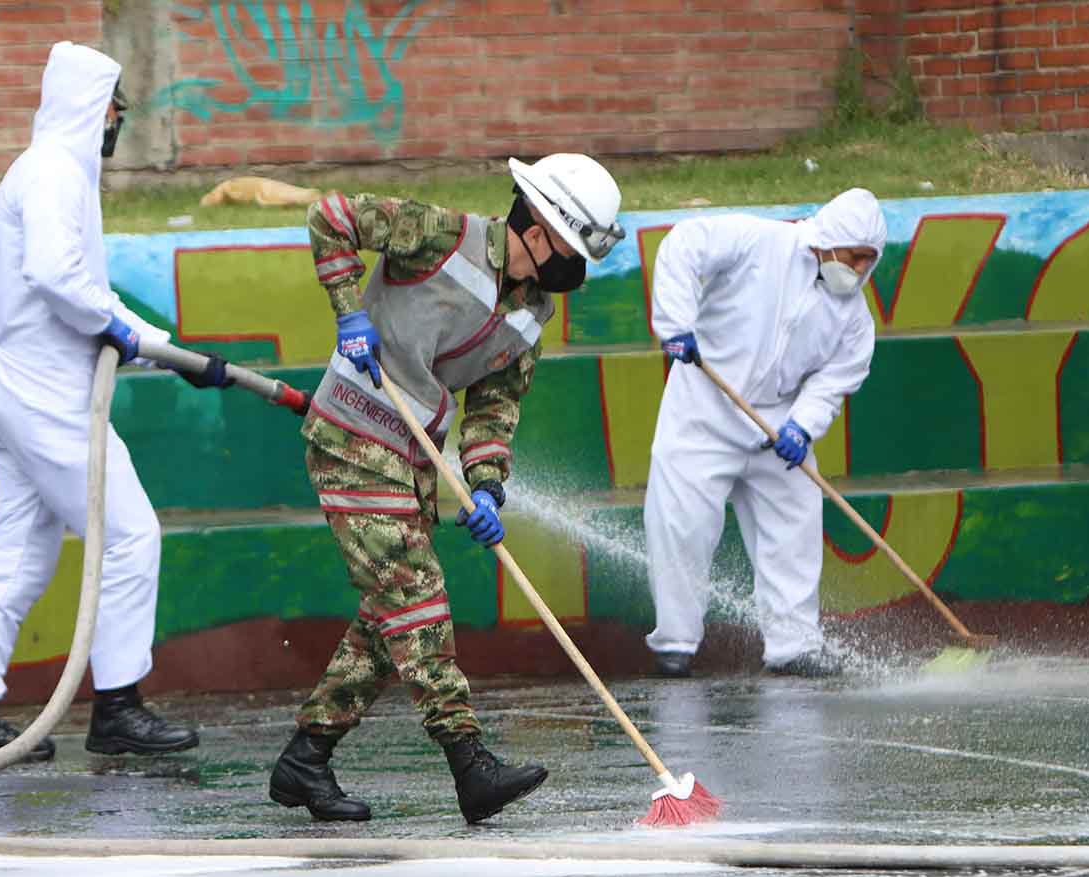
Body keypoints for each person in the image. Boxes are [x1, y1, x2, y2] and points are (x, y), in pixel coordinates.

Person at [269, 154, 625, 823]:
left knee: (390, 620)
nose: (572, 266)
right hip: (349, 438)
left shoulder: (530, 318)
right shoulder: (438, 234)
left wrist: (487, 487)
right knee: (416, 599)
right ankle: (469, 764)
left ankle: (305, 758)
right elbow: (331, 218)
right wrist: (350, 313)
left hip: (411, 460)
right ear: (542, 228)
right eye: (571, 247)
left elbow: (492, 409)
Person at [0, 42, 231, 765]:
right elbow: (56, 276)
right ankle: (119, 705)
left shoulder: (50, 172)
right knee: (132, 535)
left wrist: (161, 347)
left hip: (19, 384)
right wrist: (123, 330)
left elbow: (81, 288)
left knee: (19, 553)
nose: (117, 122)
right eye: (114, 109)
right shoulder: (53, 173)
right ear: (90, 107)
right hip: (42, 395)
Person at [642, 189, 887, 678]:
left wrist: (803, 425)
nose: (859, 270)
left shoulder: (855, 320)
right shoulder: (757, 242)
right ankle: (675, 644)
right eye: (854, 256)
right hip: (701, 411)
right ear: (828, 241)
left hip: (777, 428)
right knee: (680, 529)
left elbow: (838, 377)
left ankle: (794, 645)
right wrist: (675, 323)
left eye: (869, 260)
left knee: (794, 532)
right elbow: (682, 245)